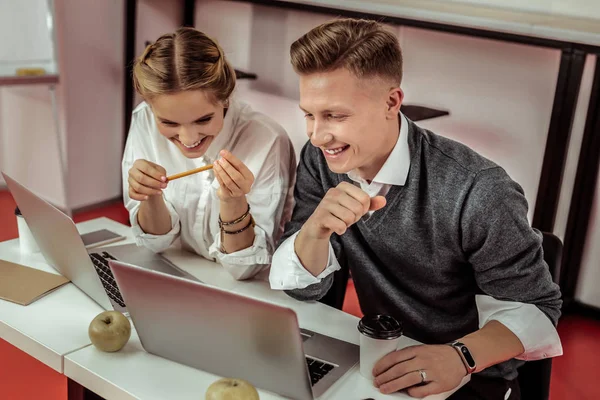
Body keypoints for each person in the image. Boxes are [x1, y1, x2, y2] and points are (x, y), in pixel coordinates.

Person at [269, 18, 562, 399]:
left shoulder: (478, 188)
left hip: (472, 374)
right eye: (309, 114)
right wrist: (314, 231)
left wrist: (460, 357)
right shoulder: (320, 158)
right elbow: (306, 291)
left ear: (391, 102)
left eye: (336, 116)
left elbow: (538, 307)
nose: (317, 135)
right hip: (383, 356)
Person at [122, 27, 295, 280]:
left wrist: (233, 202)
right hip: (176, 276)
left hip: (248, 290)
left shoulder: (267, 139)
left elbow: (244, 269)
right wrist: (151, 197)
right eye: (169, 123)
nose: (188, 139)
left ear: (225, 98)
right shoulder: (144, 121)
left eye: (203, 120)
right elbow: (155, 245)